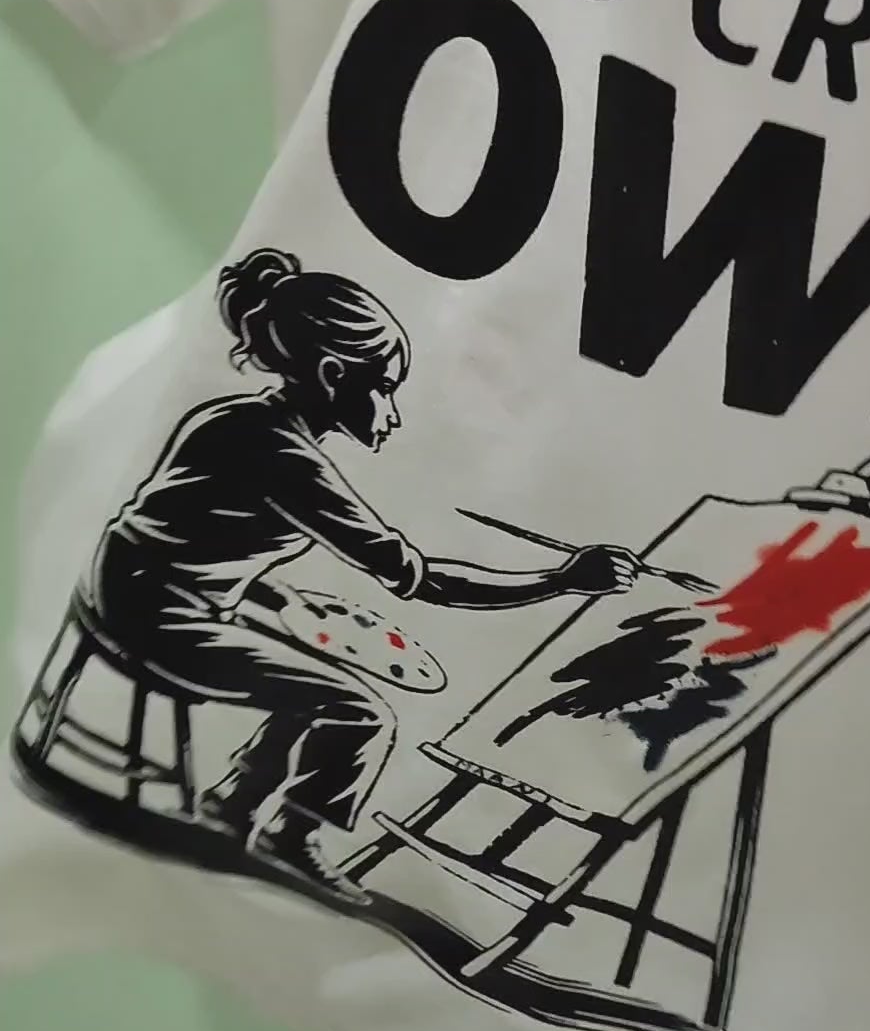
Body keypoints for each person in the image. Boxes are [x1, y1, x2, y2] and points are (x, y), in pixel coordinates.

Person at [86, 247, 639, 886]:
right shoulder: (289, 460)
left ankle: (234, 803)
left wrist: (275, 601)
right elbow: (422, 579)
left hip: (126, 582)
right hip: (156, 615)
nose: (392, 412)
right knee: (360, 712)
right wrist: (562, 580)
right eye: (383, 388)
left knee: (312, 676)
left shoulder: (235, 417)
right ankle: (292, 834)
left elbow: (186, 534)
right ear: (331, 374)